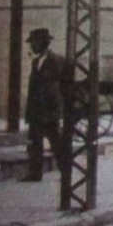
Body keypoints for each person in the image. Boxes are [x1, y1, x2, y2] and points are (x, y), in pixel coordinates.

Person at [21, 27, 70, 183]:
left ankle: (65, 171)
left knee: (56, 143)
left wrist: (58, 108)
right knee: (34, 145)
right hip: (37, 111)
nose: (32, 46)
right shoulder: (36, 62)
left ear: (43, 43)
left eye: (34, 42)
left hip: (49, 111)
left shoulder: (56, 60)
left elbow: (62, 86)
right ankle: (35, 173)